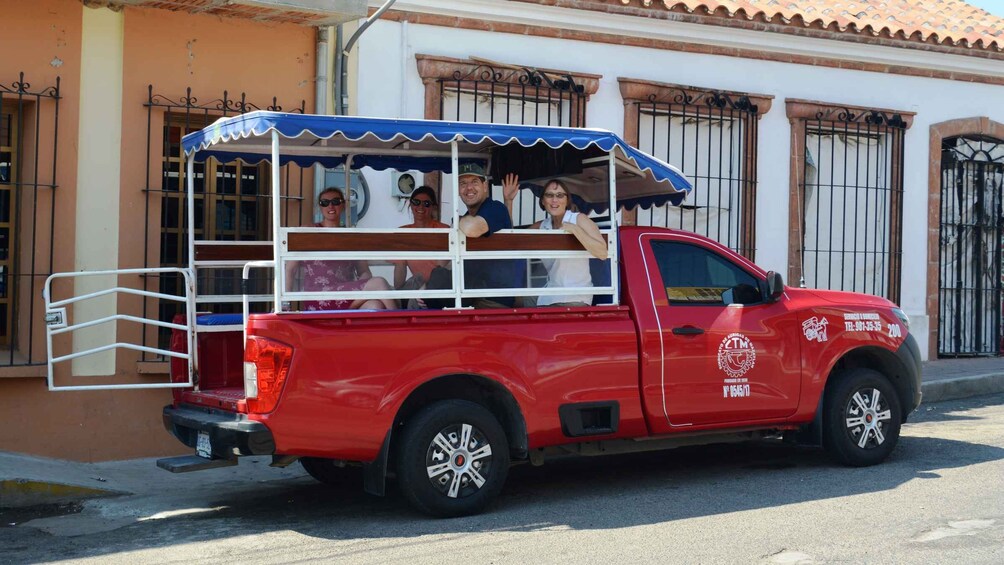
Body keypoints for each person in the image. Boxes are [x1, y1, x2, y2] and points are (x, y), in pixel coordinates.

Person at [425, 163, 525, 308]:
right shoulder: (469, 215)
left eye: (474, 182)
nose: (469, 188)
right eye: (463, 183)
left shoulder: (494, 208)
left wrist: (457, 221)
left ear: (485, 186)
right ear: (458, 190)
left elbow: (471, 229)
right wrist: (427, 285)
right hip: (471, 294)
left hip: (490, 300)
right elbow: (445, 261)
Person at [286, 188, 398, 311]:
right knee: (379, 283)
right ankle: (401, 323)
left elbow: (364, 271)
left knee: (376, 306)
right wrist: (285, 302)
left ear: (343, 205)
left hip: (346, 294)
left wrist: (363, 285)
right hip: (318, 296)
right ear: (320, 206)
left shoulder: (351, 236)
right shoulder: (308, 231)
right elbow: (290, 269)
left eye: (336, 201)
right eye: (325, 202)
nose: (330, 206)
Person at [503, 175, 607, 307]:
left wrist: (575, 230)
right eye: (549, 195)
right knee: (515, 304)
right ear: (542, 201)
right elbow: (512, 241)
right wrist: (508, 201)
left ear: (567, 200)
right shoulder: (542, 226)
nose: (554, 200)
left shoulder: (579, 219)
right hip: (550, 294)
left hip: (575, 297)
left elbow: (603, 252)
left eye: (559, 195)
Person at [393, 185, 449, 291]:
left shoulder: (443, 230)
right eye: (416, 202)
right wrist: (397, 296)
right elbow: (400, 267)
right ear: (410, 204)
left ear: (433, 207)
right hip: (417, 287)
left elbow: (442, 270)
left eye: (426, 204)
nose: (421, 207)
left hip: (438, 288)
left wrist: (427, 288)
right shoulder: (402, 233)